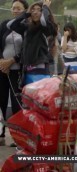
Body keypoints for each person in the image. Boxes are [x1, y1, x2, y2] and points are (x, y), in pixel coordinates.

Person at [7, 0, 57, 86]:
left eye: (39, 9)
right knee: (29, 97)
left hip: (41, 67)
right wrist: (26, 14)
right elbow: (10, 25)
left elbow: (44, 22)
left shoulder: (48, 27)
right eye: (33, 9)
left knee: (40, 95)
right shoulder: (27, 27)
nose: (35, 12)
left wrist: (45, 8)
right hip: (27, 68)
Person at [0, 0, 28, 147]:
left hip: (17, 70)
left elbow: (26, 49)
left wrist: (12, 61)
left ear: (25, 10)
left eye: (19, 8)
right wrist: (1, 62)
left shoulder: (26, 26)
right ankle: (1, 132)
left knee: (17, 103)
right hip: (2, 69)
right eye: (13, 8)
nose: (16, 10)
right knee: (2, 101)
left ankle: (18, 137)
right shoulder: (5, 24)